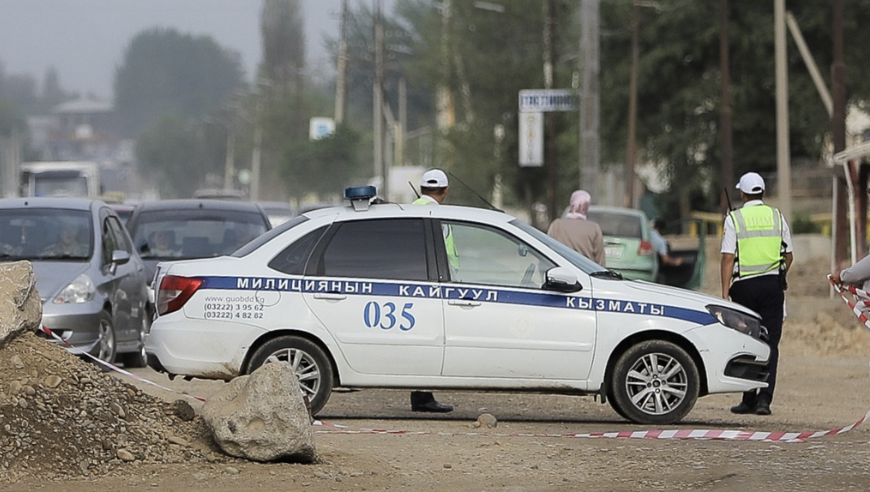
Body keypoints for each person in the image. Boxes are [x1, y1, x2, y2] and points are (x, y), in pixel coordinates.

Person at [721, 172, 793, 416]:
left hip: (744, 288)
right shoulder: (777, 216)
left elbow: (727, 258)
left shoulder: (734, 219)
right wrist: (778, 275)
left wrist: (724, 294)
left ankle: (748, 398)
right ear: (763, 192)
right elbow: (789, 255)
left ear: (742, 194)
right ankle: (764, 400)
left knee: (747, 341)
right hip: (772, 287)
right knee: (771, 343)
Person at [407, 168, 455, 414]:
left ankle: (421, 394)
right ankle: (422, 396)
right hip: (437, 287)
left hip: (415, 284)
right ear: (445, 191)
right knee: (432, 342)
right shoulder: (440, 215)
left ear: (422, 189)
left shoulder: (409, 211)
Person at [546, 190, 605, 265]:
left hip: (561, 268)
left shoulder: (557, 225)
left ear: (571, 204)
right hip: (585, 269)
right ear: (586, 207)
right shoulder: (594, 228)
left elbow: (547, 249)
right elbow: (600, 260)